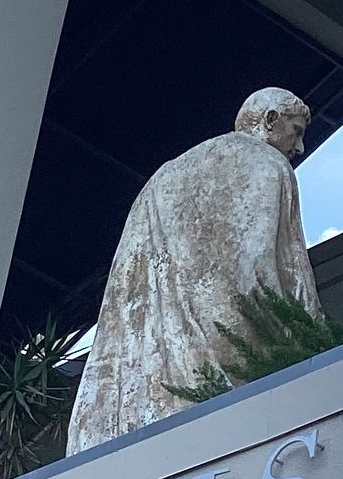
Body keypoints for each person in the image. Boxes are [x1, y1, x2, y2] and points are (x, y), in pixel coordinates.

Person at [66, 87, 321, 454]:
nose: (299, 148)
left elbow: (124, 292)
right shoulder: (267, 164)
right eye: (296, 132)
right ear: (270, 121)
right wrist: (313, 347)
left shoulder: (163, 178)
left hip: (152, 381)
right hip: (228, 362)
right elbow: (276, 268)